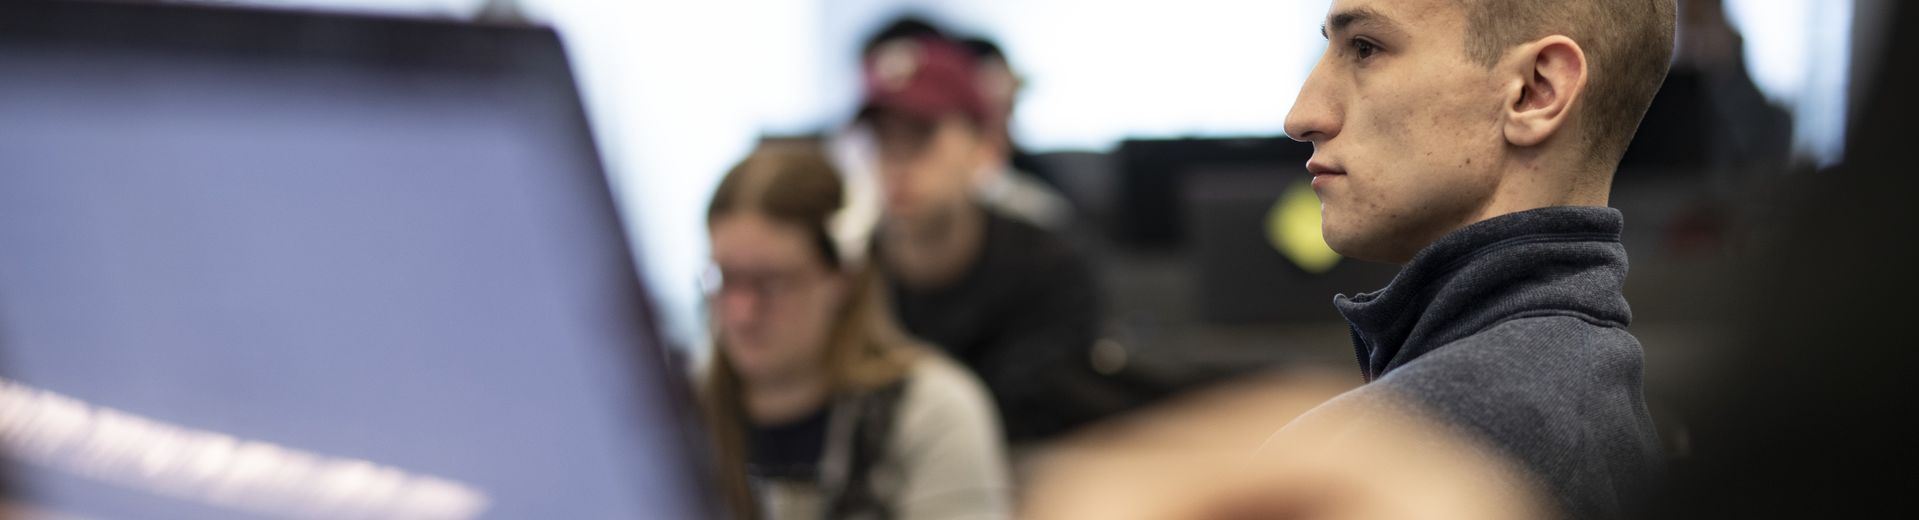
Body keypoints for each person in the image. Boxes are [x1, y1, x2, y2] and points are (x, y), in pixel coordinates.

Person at [1274, 0, 1677, 517]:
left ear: (1535, 92)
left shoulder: (1447, 441)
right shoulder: (1575, 389)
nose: (1301, 117)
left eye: (1366, 48)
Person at [697, 143, 1012, 520]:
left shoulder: (930, 412)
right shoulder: (673, 417)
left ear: (841, 279)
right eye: (725, 279)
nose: (741, 312)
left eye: (770, 283)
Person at [851, 33, 1114, 444]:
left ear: (985, 147)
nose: (896, 163)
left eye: (920, 136)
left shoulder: (1050, 270)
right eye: (882, 140)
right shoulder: (843, 278)